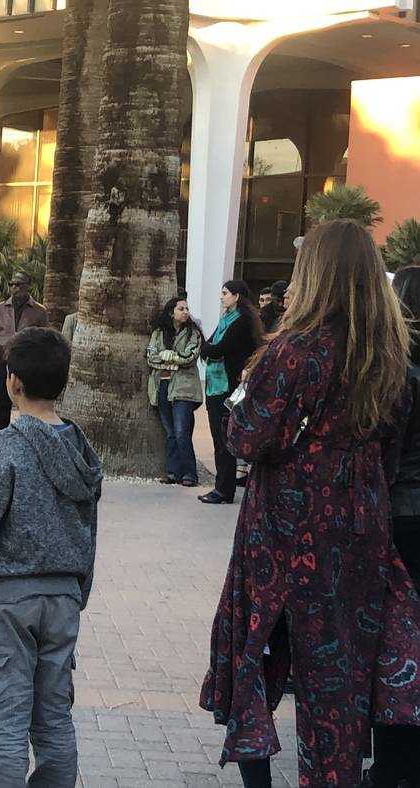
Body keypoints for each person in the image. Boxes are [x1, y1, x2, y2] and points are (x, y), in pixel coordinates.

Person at [199, 220, 420, 788]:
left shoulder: (296, 351)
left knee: (254, 651)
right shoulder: (387, 354)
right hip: (361, 524)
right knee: (336, 674)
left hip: (285, 526)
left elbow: (246, 437)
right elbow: (391, 447)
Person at [0, 327, 102, 787]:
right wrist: (76, 594)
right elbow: (89, 533)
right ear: (63, 384)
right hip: (62, 600)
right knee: (53, 720)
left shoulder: (3, 449)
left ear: (12, 383)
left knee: (5, 727)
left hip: (5, 605)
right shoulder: (82, 451)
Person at [368, 264, 420, 787]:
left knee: (397, 645)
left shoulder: (393, 370)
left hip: (401, 515)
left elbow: (387, 454)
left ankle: (394, 765)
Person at [197, 280, 262, 504]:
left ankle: (224, 490)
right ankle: (223, 486)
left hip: (228, 387)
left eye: (225, 293)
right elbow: (209, 345)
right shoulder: (227, 319)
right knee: (220, 438)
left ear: (236, 296)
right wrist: (208, 348)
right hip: (217, 385)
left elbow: (217, 347)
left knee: (224, 438)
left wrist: (208, 349)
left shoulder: (242, 321)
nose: (221, 297)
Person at [146, 297, 203, 487]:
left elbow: (190, 357)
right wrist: (170, 359)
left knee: (181, 431)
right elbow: (151, 357)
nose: (185, 312)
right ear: (171, 312)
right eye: (181, 309)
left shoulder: (192, 333)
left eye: (187, 308)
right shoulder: (159, 333)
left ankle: (190, 474)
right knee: (170, 432)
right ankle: (172, 472)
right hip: (162, 385)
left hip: (183, 389)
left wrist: (171, 358)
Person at [0, 272, 49, 433]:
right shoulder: (0, 308)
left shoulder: (39, 311)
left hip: (27, 364)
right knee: (1, 404)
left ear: (27, 286)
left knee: (28, 401)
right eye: (12, 284)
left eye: (19, 284)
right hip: (3, 362)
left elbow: (44, 337)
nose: (14, 288)